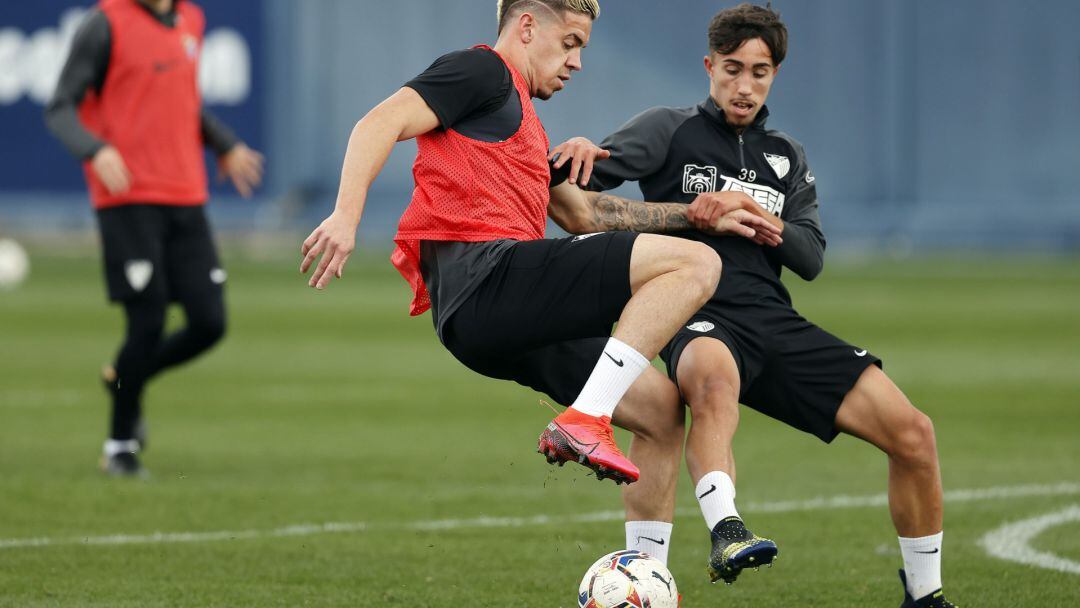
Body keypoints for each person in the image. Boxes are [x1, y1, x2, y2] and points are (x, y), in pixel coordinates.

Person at [549, 4, 957, 605]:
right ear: (709, 66)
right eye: (733, 69)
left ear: (775, 75)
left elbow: (812, 257)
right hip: (697, 312)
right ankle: (727, 527)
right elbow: (582, 187)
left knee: (914, 434)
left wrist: (762, 216)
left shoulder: (786, 155)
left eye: (760, 72)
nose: (744, 85)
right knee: (710, 384)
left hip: (775, 321)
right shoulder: (669, 129)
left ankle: (925, 596)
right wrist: (583, 150)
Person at [299, 0, 765, 487]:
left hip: (494, 321)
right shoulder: (482, 70)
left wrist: (693, 216)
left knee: (660, 407)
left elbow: (583, 214)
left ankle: (644, 562)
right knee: (696, 265)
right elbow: (378, 123)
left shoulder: (518, 117)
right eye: (570, 43)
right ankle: (586, 420)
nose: (577, 62)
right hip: (489, 281)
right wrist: (345, 217)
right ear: (526, 27)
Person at [45, 0, 265, 477]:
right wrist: (95, 149)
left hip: (186, 193)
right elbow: (60, 106)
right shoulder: (104, 24)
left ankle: (124, 376)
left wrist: (223, 144)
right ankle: (120, 447)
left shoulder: (191, 20)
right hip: (127, 196)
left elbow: (182, 101)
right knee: (146, 321)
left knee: (209, 322)